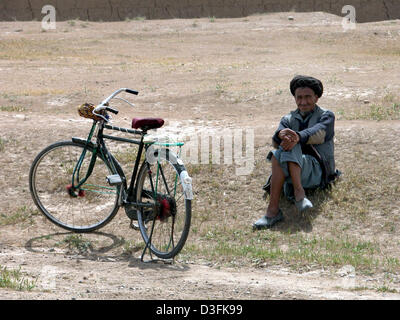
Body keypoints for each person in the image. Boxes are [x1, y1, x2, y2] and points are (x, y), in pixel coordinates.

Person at [253, 75, 337, 230]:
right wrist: (280, 135)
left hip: (317, 171)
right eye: (299, 97)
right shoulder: (288, 118)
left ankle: (291, 197)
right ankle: (278, 208)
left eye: (308, 97)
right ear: (294, 98)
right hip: (294, 169)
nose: (303, 102)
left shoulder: (326, 116)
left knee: (292, 143)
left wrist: (296, 137)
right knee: (280, 151)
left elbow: (318, 133)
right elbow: (276, 139)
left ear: (317, 98)